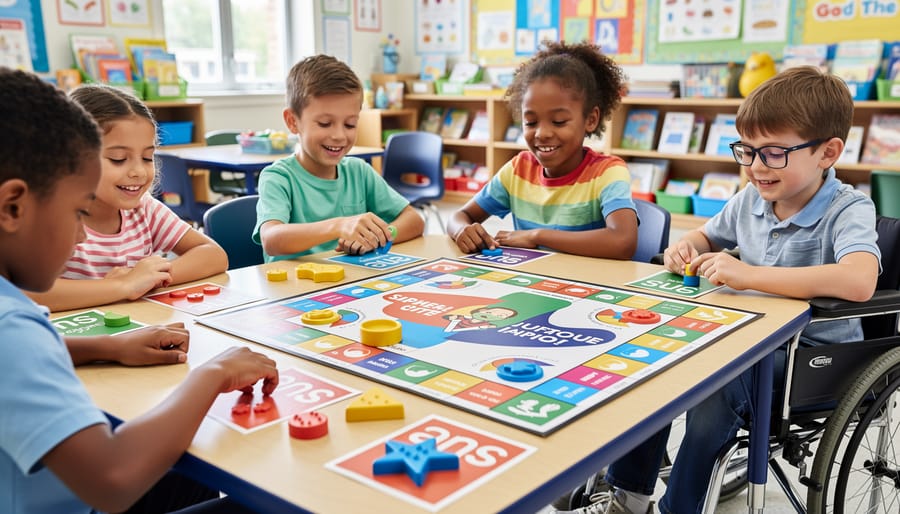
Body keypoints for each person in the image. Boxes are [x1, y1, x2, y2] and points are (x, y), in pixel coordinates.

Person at [555, 66, 881, 514]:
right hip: (746, 337)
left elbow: (859, 280)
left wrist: (748, 275)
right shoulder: (751, 199)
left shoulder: (850, 208)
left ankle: (679, 507)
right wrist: (681, 248)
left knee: (712, 387)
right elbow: (703, 238)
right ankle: (627, 497)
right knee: (655, 361)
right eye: (746, 151)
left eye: (773, 153)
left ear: (828, 152)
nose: (755, 167)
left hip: (810, 362)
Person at [0, 67, 278, 514]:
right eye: (75, 212)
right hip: (88, 498)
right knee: (265, 501)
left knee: (190, 468)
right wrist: (215, 373)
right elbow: (112, 480)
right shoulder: (11, 329)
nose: (80, 238)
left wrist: (105, 346)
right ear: (13, 207)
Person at [26, 83, 228, 312]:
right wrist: (121, 286)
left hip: (134, 332)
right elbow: (28, 293)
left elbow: (214, 255)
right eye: (118, 159)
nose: (139, 172)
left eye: (147, 158)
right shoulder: (52, 218)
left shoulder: (144, 210)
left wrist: (147, 277)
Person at [447, 41, 637, 259]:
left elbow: (623, 242)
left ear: (591, 119)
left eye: (558, 121)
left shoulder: (607, 172)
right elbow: (461, 215)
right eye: (530, 122)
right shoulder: (519, 169)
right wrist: (462, 230)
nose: (541, 133)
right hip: (533, 281)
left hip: (586, 286)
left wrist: (538, 236)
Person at [254, 55, 425, 261]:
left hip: (349, 284)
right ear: (292, 121)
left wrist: (381, 235)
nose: (339, 136)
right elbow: (272, 239)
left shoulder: (358, 172)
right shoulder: (279, 177)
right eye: (325, 123)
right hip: (296, 289)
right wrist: (339, 226)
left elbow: (414, 220)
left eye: (350, 124)